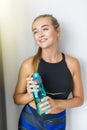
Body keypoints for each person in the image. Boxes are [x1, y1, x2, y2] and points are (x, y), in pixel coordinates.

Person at [13, 14, 84, 130]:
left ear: (58, 31)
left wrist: (57, 103)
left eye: (45, 29)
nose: (40, 35)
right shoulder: (28, 64)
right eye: (35, 31)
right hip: (31, 120)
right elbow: (17, 99)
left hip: (58, 121)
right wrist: (29, 95)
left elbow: (79, 99)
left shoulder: (72, 63)